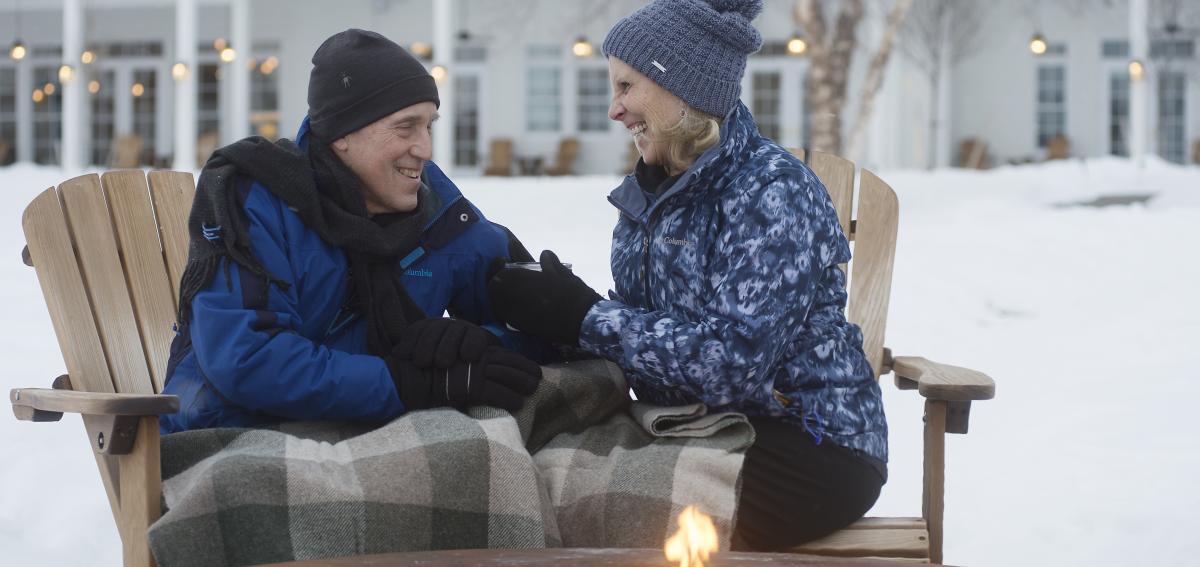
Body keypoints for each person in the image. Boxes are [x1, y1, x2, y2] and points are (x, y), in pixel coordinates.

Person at [487, 0, 887, 551]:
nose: (615, 110)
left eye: (627, 87)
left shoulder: (772, 193)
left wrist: (587, 316)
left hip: (807, 445)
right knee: (533, 469)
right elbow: (640, 335)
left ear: (682, 89)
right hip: (688, 424)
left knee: (608, 501)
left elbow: (732, 365)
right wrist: (548, 312)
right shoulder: (651, 195)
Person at [161, 29, 542, 434]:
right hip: (230, 437)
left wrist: (475, 345)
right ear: (342, 134)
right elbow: (247, 357)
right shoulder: (259, 200)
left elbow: (538, 320)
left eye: (429, 125)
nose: (426, 149)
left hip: (372, 435)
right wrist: (409, 383)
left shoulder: (437, 214)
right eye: (405, 127)